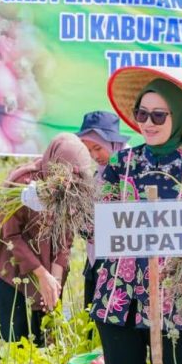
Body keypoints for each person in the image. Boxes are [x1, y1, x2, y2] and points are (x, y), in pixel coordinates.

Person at [92, 66, 182, 364]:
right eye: (141, 114)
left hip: (175, 302)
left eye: (158, 115)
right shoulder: (122, 163)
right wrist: (66, 202)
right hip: (118, 298)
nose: (148, 123)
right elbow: (94, 226)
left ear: (177, 116)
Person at [0, 134, 93, 347]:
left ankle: (45, 358)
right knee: (14, 332)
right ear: (54, 164)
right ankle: (15, 363)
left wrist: (55, 278)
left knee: (48, 322)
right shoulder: (25, 182)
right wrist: (41, 274)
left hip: (45, 251)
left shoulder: (74, 188)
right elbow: (10, 235)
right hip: (10, 252)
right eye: (64, 175)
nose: (68, 182)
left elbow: (66, 236)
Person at [75, 111, 130, 312]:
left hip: (124, 265)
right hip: (97, 258)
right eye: (88, 150)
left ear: (114, 143)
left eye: (98, 148)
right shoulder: (99, 173)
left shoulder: (131, 169)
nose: (94, 156)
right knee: (93, 318)